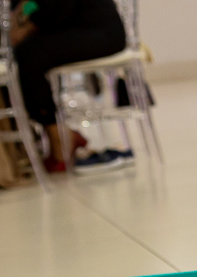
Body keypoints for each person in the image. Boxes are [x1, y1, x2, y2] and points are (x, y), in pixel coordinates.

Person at [9, 0, 127, 172]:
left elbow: (53, 12)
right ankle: (57, 135)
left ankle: (59, 138)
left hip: (100, 32)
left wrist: (26, 24)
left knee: (27, 56)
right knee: (24, 54)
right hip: (77, 27)